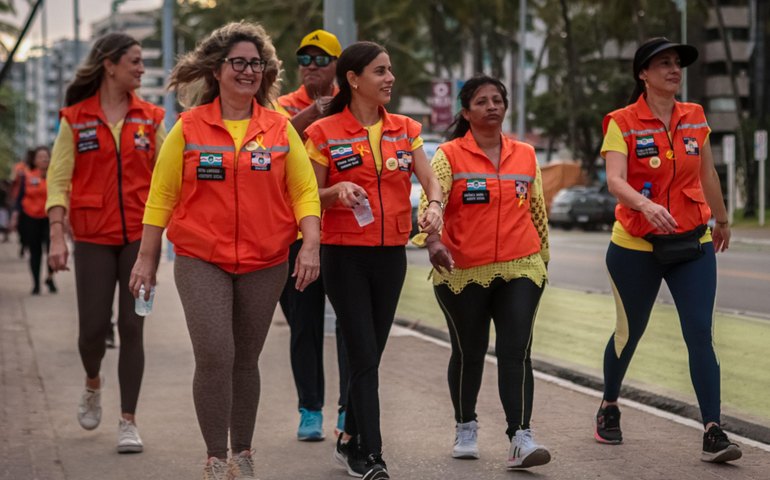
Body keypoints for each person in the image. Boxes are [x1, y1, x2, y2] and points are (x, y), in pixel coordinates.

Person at [129, 21, 321, 480]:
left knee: (245, 360)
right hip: (201, 258)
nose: (248, 70)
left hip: (266, 259)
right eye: (238, 62)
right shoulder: (189, 127)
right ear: (217, 69)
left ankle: (244, 454)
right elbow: (162, 195)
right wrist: (146, 257)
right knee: (216, 353)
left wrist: (310, 241)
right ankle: (216, 457)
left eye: (256, 63)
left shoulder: (278, 128)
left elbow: (304, 190)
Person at [597, 37, 741, 463]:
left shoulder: (694, 116)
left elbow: (708, 170)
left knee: (699, 332)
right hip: (635, 245)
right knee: (630, 331)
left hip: (692, 241)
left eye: (677, 63)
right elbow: (614, 180)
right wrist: (644, 204)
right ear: (643, 73)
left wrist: (723, 218)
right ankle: (608, 405)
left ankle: (713, 430)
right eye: (663, 64)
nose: (674, 70)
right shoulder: (621, 122)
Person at [304, 40, 443, 480]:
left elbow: (429, 178)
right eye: (380, 71)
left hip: (391, 256)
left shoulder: (406, 128)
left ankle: (347, 437)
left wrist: (435, 205)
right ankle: (371, 454)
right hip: (343, 256)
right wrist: (336, 192)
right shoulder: (323, 133)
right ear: (353, 79)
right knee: (363, 351)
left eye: (390, 70)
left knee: (370, 353)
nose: (390, 79)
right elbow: (308, 195)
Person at [415, 75, 551, 469]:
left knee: (516, 351)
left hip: (520, 265)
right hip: (462, 269)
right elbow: (430, 196)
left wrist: (543, 258)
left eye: (498, 100)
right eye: (482, 101)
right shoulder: (449, 155)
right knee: (469, 351)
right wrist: (433, 239)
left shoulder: (525, 153)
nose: (492, 106)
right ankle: (465, 425)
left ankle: (520, 437)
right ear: (466, 111)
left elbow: (537, 210)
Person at [46, 32, 166, 454]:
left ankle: (128, 421)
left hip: (140, 236)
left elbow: (168, 178)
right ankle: (92, 383)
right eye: (134, 61)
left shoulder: (152, 118)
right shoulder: (75, 118)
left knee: (133, 326)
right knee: (92, 331)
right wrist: (57, 234)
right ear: (109, 64)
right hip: (93, 237)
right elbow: (58, 180)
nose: (141, 68)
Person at [274, 28, 349, 442]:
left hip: (338, 234)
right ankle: (309, 410)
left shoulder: (349, 107)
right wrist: (311, 114)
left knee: (347, 326)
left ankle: (346, 409)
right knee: (304, 325)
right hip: (295, 234)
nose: (311, 66)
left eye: (321, 59)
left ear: (337, 66)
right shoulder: (282, 105)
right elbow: (274, 142)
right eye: (305, 59)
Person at [11, 146, 57, 294]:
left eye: (46, 156)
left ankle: (50, 278)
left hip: (49, 218)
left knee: (52, 251)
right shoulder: (28, 176)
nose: (44, 159)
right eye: (41, 156)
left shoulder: (55, 176)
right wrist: (15, 215)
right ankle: (36, 284)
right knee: (35, 251)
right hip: (30, 218)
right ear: (34, 160)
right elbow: (19, 198)